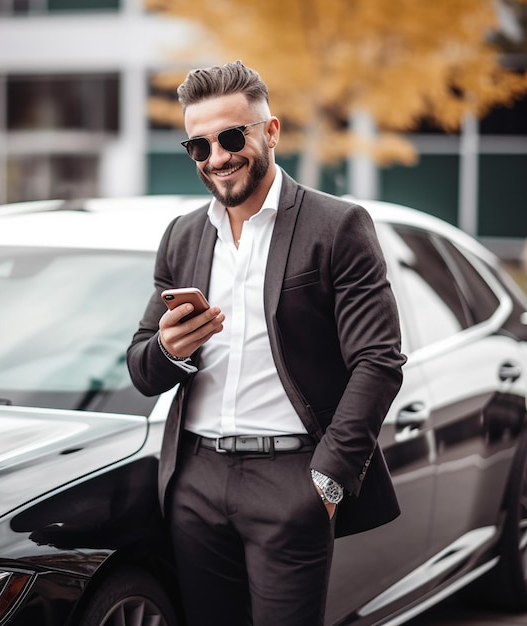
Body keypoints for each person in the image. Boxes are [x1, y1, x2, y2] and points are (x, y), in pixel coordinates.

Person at [127, 60, 406, 626]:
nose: (218, 158)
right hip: (196, 480)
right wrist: (171, 349)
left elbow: (378, 361)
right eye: (199, 147)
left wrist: (326, 481)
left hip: (293, 477)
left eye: (232, 137)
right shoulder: (182, 236)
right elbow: (141, 368)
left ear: (270, 132)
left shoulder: (337, 227)